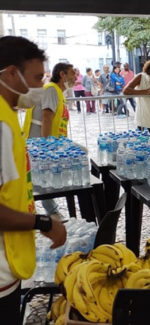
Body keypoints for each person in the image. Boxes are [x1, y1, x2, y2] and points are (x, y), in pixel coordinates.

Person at [0, 36, 66, 324]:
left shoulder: (9, 116)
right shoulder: (1, 125)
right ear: (11, 73)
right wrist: (44, 223)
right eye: (37, 78)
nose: (41, 87)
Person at [22, 62, 76, 222]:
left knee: (40, 177)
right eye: (72, 73)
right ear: (62, 74)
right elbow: (47, 116)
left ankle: (50, 212)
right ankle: (50, 212)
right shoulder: (52, 89)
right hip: (39, 141)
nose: (75, 77)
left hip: (40, 141)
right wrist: (46, 145)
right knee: (41, 176)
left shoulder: (56, 91)